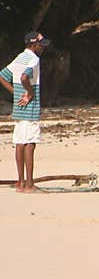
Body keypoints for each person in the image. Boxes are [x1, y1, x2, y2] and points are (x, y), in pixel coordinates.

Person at [0, 31, 52, 193]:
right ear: (33, 45)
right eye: (41, 45)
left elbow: (2, 76)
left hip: (19, 107)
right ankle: (30, 184)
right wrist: (29, 93)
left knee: (20, 143)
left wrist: (16, 93)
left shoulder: (20, 57)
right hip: (30, 108)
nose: (43, 48)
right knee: (30, 144)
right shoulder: (34, 59)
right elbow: (24, 78)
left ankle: (21, 183)